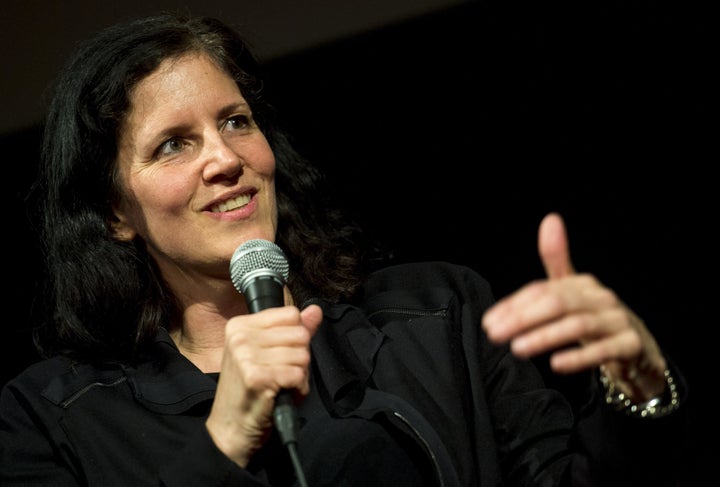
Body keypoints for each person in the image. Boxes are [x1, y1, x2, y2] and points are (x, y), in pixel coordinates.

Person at [0, 12, 688, 487]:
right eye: (174, 144)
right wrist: (223, 444)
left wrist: (641, 396)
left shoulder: (437, 313)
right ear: (117, 212)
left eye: (236, 122)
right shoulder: (56, 418)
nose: (225, 158)